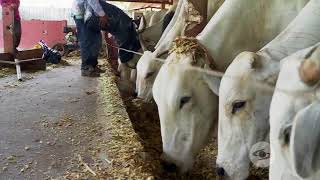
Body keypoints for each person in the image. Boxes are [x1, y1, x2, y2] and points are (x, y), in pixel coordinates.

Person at [72, 0, 108, 77]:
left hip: (90, 15)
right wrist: (102, 14)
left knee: (97, 41)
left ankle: (93, 66)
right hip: (81, 15)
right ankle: (86, 68)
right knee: (87, 41)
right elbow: (92, 1)